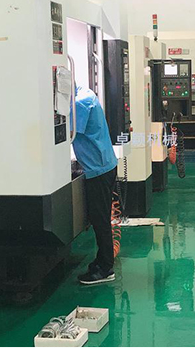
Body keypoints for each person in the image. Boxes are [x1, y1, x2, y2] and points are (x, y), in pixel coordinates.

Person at [73, 85, 117, 285]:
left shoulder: (80, 103)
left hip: (98, 169)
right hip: (103, 165)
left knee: (100, 220)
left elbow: (66, 132)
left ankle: (105, 268)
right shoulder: (85, 93)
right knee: (101, 218)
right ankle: (102, 262)